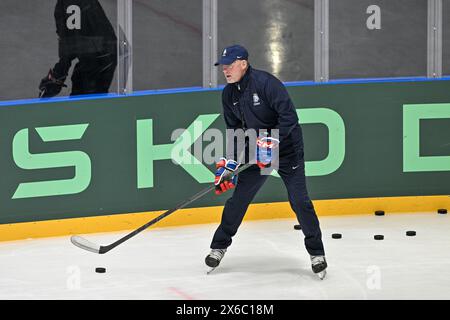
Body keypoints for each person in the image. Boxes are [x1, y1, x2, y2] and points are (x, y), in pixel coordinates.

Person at [206, 45, 327, 279]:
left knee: (300, 201)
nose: (226, 70)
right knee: (238, 201)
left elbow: (289, 116)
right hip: (256, 153)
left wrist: (273, 142)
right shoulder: (228, 94)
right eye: (223, 66)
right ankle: (219, 246)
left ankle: (317, 253)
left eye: (230, 65)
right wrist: (230, 163)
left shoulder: (266, 83)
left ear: (243, 63)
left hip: (287, 150)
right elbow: (234, 131)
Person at [38, 0, 117, 98]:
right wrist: (58, 75)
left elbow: (71, 45)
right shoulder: (66, 5)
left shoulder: (65, 6)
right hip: (101, 54)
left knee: (85, 94)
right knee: (79, 83)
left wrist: (58, 75)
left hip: (100, 57)